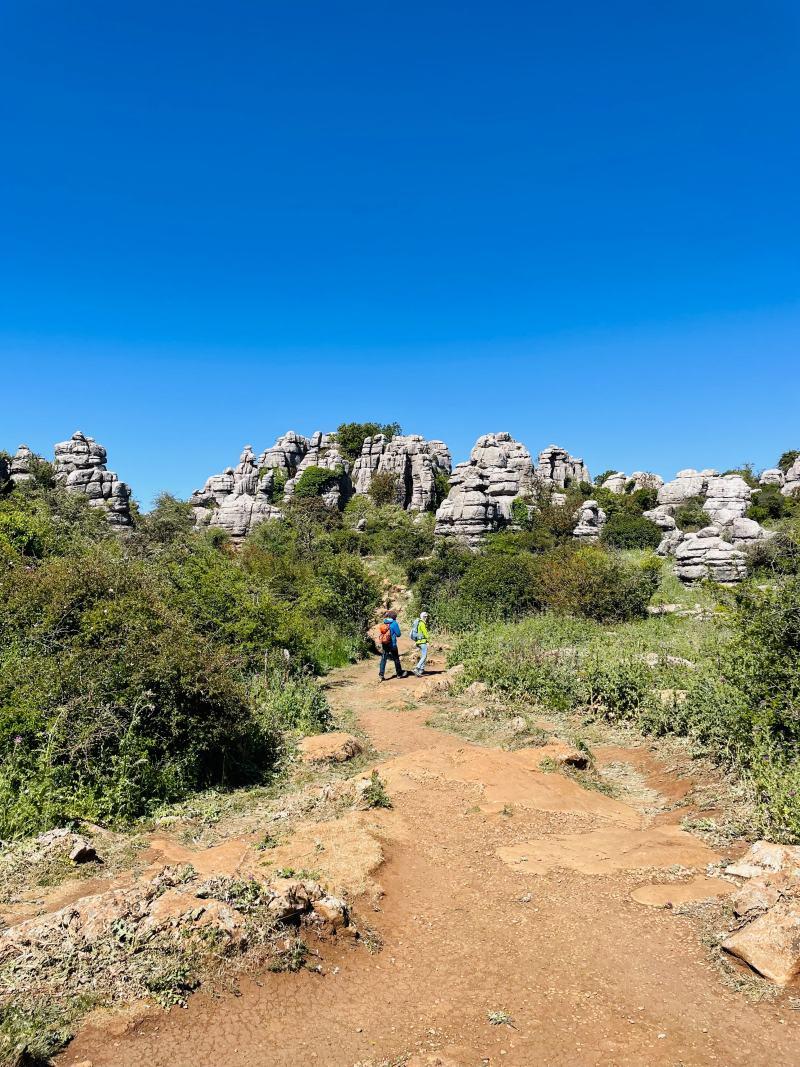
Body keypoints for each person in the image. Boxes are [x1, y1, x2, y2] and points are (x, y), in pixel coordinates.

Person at [378, 609, 404, 681]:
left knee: (384, 658)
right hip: (392, 644)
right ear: (394, 617)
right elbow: (398, 634)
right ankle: (399, 674)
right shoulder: (394, 623)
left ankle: (381, 675)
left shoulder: (384, 622)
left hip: (385, 643)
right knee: (396, 658)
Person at [412, 611, 430, 676]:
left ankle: (421, 670)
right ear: (423, 617)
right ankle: (417, 668)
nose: (426, 618)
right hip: (422, 642)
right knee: (424, 656)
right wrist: (428, 640)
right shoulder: (422, 624)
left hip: (418, 641)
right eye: (425, 617)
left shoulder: (418, 623)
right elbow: (425, 633)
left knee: (423, 656)